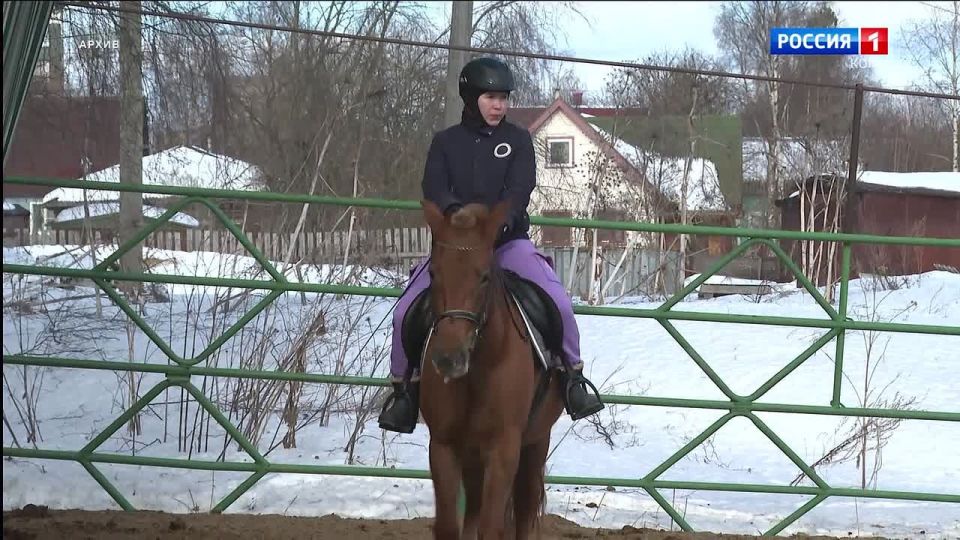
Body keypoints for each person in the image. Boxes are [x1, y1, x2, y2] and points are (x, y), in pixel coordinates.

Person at [377, 57, 604, 434]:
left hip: (506, 243)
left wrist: (498, 223)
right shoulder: (445, 143)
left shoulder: (517, 140)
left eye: (503, 98)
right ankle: (404, 390)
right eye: (491, 97)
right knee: (404, 312)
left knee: (559, 302)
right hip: (457, 249)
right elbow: (434, 188)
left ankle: (573, 378)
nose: (499, 105)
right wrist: (458, 220)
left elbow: (520, 189)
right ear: (471, 97)